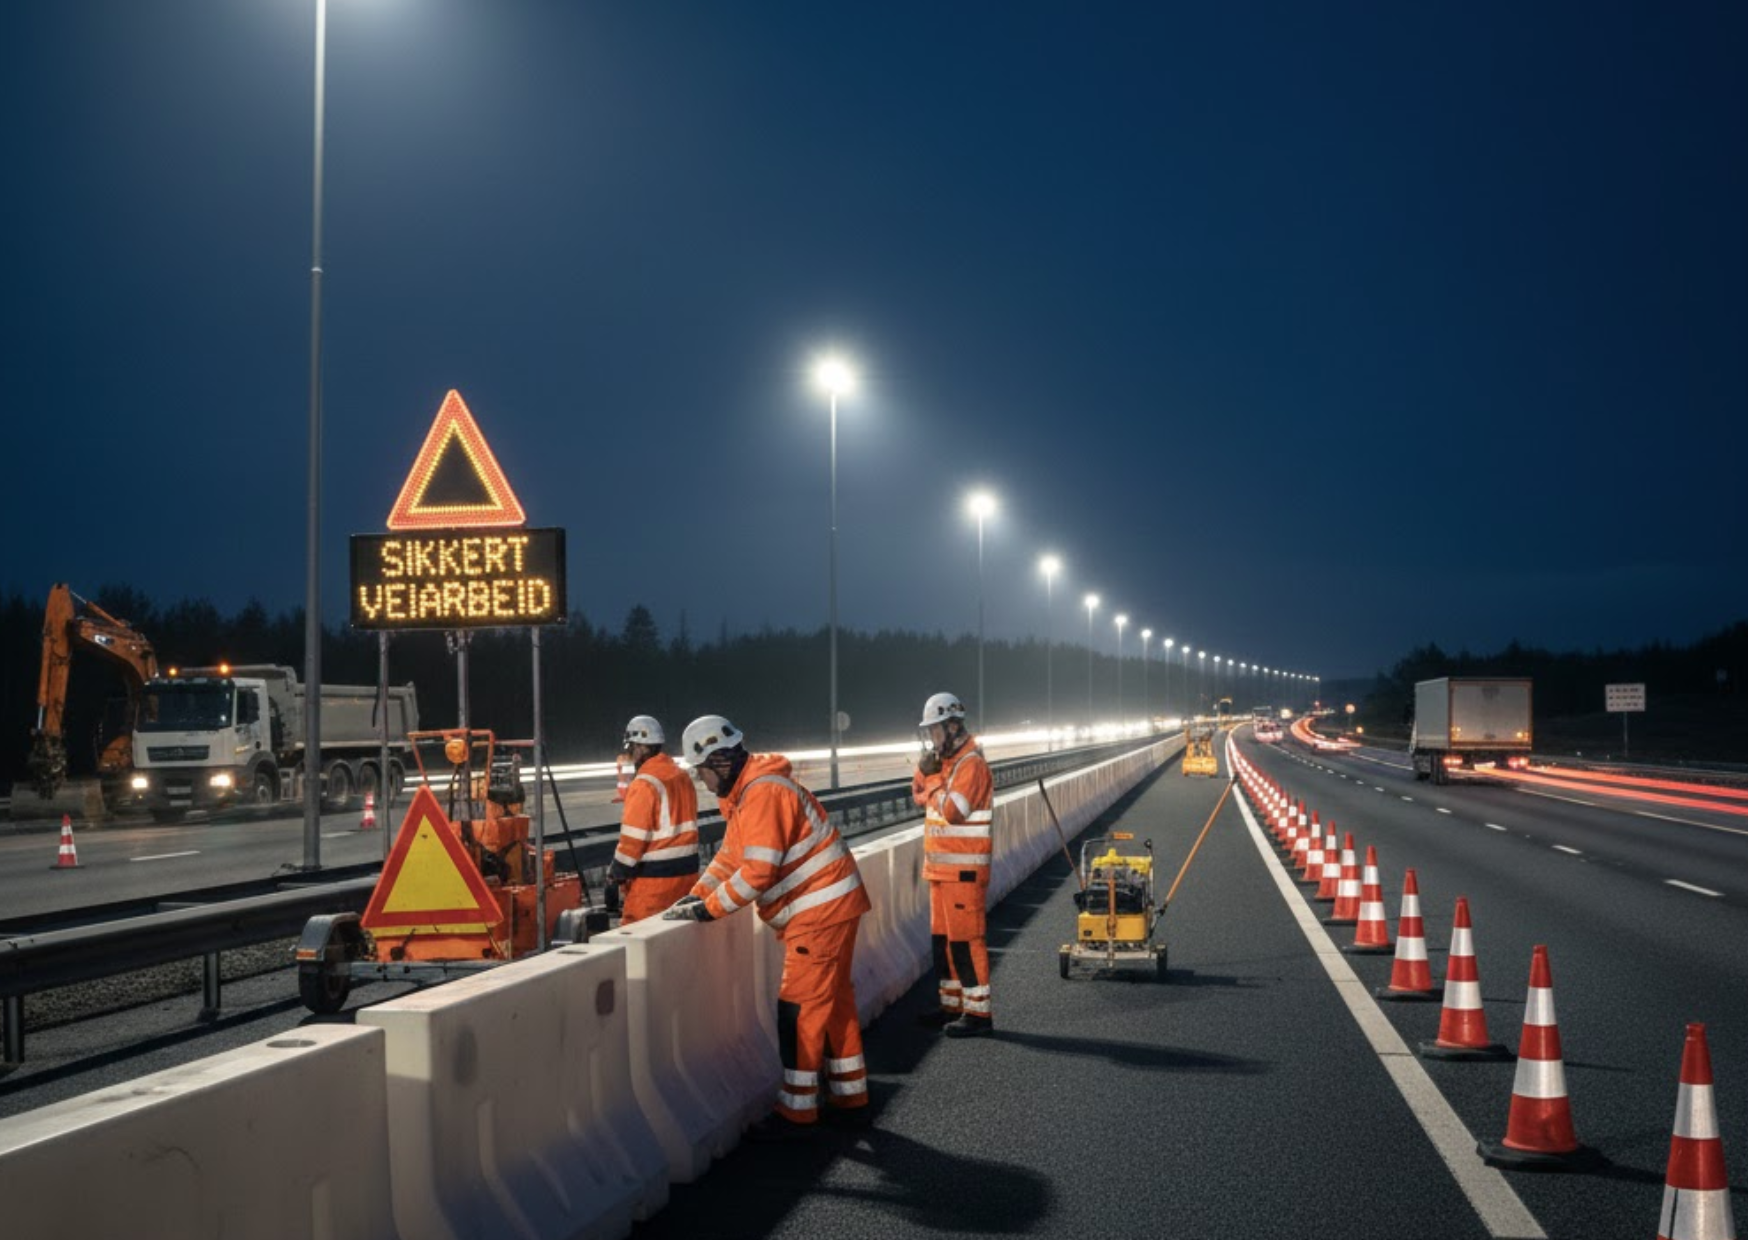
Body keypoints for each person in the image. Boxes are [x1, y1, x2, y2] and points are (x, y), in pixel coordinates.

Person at [663, 714, 872, 1138]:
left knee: (797, 1010)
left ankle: (798, 1109)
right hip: (833, 904)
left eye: (701, 772)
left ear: (717, 762)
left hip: (818, 911)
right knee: (833, 1000)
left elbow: (757, 872)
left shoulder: (761, 793)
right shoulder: (749, 792)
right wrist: (696, 895)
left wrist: (709, 910)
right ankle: (850, 1093)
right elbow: (729, 857)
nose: (702, 783)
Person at [910, 691, 995, 1038]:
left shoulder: (970, 764)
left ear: (951, 726)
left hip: (963, 871)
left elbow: (953, 812)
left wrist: (931, 782)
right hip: (940, 869)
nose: (930, 738)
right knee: (942, 942)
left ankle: (978, 1014)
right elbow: (917, 794)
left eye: (934, 730)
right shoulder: (946, 764)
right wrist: (925, 773)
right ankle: (952, 1005)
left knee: (965, 940)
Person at [607, 715, 700, 923]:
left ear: (640, 747)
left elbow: (632, 841)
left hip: (655, 884)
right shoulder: (681, 777)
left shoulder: (644, 784)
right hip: (688, 879)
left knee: (639, 944)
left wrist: (616, 873)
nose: (630, 754)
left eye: (631, 748)